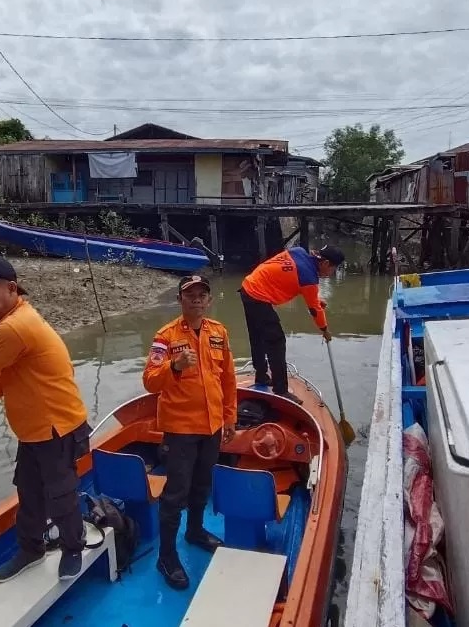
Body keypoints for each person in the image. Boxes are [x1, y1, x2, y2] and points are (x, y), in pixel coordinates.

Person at [0, 254, 91, 583]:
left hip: (58, 428)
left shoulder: (16, 327)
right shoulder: (15, 323)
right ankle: (31, 549)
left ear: (11, 288)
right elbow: (2, 376)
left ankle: (72, 548)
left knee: (62, 496)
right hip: (33, 432)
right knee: (28, 492)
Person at [142, 274, 237, 590]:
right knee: (175, 494)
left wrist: (229, 418)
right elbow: (150, 382)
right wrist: (175, 366)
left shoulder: (219, 333)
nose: (196, 299)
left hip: (211, 427)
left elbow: (228, 381)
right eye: (190, 294)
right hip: (181, 430)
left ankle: (195, 531)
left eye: (202, 294)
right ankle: (166, 556)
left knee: (202, 485)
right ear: (180, 300)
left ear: (209, 300)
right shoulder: (165, 336)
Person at [238, 245, 345, 404]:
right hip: (258, 296)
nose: (332, 273)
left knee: (257, 336)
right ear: (325, 263)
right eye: (333, 269)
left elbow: (286, 276)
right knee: (277, 342)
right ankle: (281, 390)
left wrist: (315, 299)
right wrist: (325, 330)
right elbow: (314, 310)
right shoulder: (309, 278)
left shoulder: (298, 252)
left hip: (249, 287)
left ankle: (261, 375)